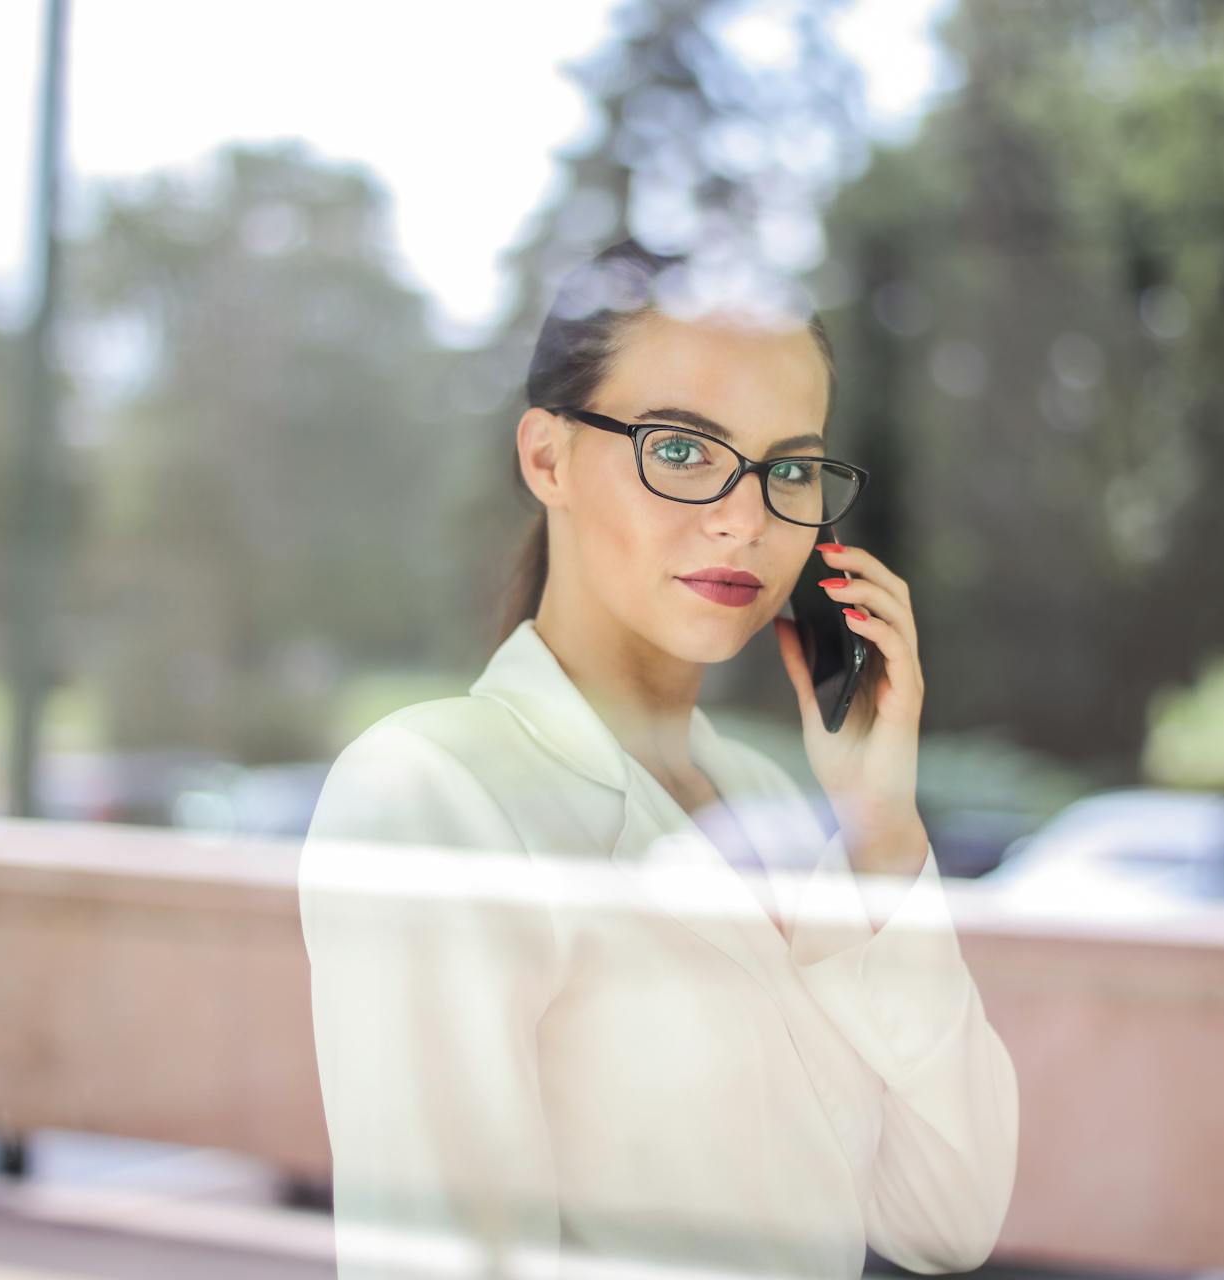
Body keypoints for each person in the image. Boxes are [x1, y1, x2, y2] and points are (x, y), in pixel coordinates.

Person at [297, 238, 1020, 1280]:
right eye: (681, 449)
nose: (746, 515)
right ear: (547, 457)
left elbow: (943, 1218)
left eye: (791, 466)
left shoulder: (769, 801)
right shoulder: (433, 791)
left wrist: (884, 827)